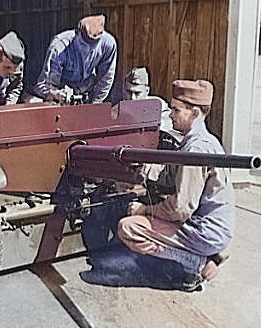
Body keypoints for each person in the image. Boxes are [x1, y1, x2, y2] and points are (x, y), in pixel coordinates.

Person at [80, 79, 234, 292]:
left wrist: (144, 209)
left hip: (205, 231)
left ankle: (194, 264)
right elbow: (171, 174)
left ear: (195, 113)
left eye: (176, 110)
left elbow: (180, 209)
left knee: (129, 228)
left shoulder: (196, 150)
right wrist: (137, 167)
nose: (171, 114)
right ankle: (202, 256)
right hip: (212, 228)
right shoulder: (203, 141)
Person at [33, 14, 117, 104]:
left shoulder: (109, 44)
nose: (87, 50)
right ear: (78, 34)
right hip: (62, 99)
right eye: (83, 45)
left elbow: (106, 79)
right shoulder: (59, 46)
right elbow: (43, 86)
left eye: (92, 47)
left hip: (88, 95)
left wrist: (95, 104)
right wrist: (56, 94)